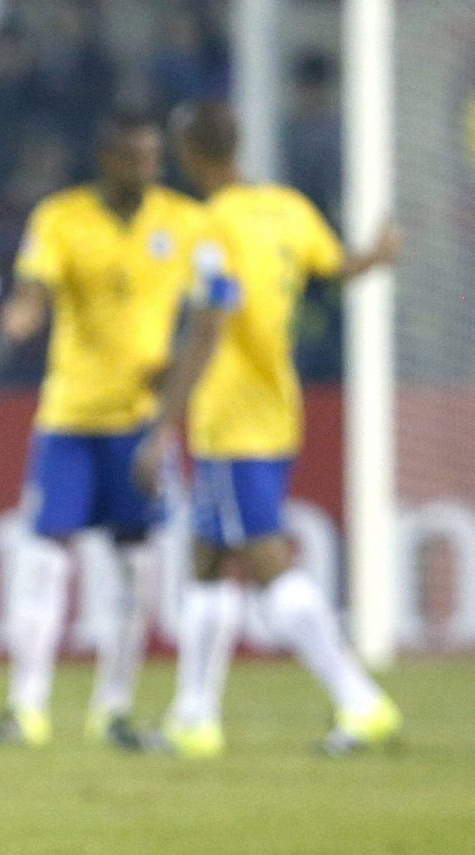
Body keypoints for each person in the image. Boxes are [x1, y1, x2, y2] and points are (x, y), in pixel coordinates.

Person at [146, 102, 402, 758]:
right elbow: (332, 266)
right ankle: (194, 717)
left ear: (190, 154)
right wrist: (372, 256)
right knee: (206, 557)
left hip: (231, 415)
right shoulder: (287, 208)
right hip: (277, 405)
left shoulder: (210, 225)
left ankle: (360, 699)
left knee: (262, 556)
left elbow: (209, 325)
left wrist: (161, 425)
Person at [0, 112, 205, 751]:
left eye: (153, 156)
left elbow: (209, 309)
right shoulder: (61, 217)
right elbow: (34, 286)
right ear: (106, 158)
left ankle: (114, 708)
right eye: (134, 156)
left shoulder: (185, 223)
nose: (146, 167)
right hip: (71, 418)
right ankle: (26, 707)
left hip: (140, 423)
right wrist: (20, 317)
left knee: (135, 568)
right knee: (44, 560)